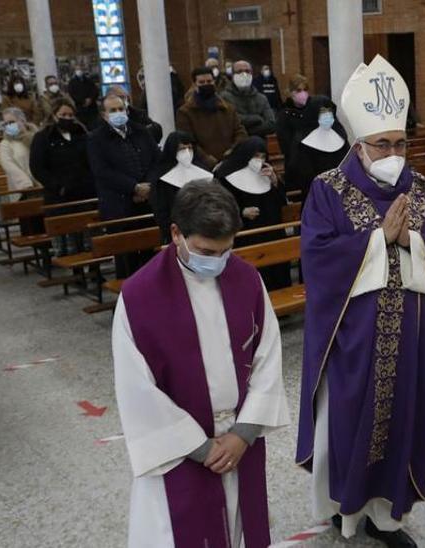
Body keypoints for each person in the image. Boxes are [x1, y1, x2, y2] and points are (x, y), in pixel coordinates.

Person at [296, 55, 425, 548]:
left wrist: (411, 239)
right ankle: (343, 511)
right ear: (359, 145)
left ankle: (387, 518)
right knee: (349, 422)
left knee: (400, 423)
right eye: (382, 144)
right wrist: (376, 240)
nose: (393, 152)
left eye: (400, 143)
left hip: (408, 338)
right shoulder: (327, 190)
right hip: (351, 339)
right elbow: (318, 258)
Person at [113, 180, 290, 548]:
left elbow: (268, 357)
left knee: (240, 527)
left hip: (240, 442)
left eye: (226, 250)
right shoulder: (138, 297)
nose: (219, 261)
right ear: (176, 233)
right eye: (206, 250)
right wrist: (200, 447)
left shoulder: (247, 279)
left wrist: (243, 433)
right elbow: (136, 389)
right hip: (180, 450)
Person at [213, 137, 289, 289]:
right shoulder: (225, 177)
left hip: (271, 233)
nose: (259, 160)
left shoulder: (266, 173)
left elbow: (281, 203)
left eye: (262, 157)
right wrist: (241, 212)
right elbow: (219, 208)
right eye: (255, 156)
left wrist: (275, 181)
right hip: (246, 235)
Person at [87, 94, 158, 222]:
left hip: (150, 199)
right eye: (113, 110)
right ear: (104, 115)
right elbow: (102, 171)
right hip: (118, 204)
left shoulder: (141, 131)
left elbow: (156, 160)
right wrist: (135, 188)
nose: (118, 113)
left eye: (121, 109)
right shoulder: (96, 139)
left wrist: (149, 186)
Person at [148, 131, 213, 241]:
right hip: (178, 233)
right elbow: (162, 212)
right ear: (172, 150)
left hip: (206, 229)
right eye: (182, 149)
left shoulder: (204, 172)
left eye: (190, 148)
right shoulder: (163, 178)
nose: (187, 152)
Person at [30, 98, 97, 205]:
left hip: (87, 192)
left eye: (70, 115)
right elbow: (37, 168)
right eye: (63, 115)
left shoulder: (82, 133)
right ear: (54, 115)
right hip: (59, 197)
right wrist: (58, 187)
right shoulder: (43, 137)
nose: (67, 118)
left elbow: (92, 160)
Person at [177, 68, 248, 167]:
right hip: (202, 166)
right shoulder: (185, 112)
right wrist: (208, 160)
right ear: (194, 84)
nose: (206, 84)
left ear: (214, 82)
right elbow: (188, 141)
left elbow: (240, 132)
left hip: (229, 162)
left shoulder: (228, 109)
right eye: (201, 82)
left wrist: (233, 151)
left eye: (209, 81)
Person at [283, 96, 348, 199]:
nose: (327, 116)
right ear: (314, 114)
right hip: (315, 194)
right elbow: (302, 174)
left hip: (341, 192)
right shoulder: (304, 141)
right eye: (323, 113)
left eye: (329, 112)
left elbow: (348, 161)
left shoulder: (339, 134)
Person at [221, 61, 278, 138]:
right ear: (232, 75)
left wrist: (246, 131)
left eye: (247, 71)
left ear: (252, 74)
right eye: (239, 71)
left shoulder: (261, 98)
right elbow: (229, 122)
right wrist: (257, 118)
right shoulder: (224, 97)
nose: (244, 74)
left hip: (259, 144)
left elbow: (271, 124)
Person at [0, 107, 39, 200]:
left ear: (22, 121)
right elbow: (9, 166)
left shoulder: (37, 138)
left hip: (44, 186)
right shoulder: (6, 144)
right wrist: (26, 184)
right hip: (23, 191)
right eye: (5, 124)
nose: (8, 126)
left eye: (11, 122)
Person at [69, 65, 103, 130]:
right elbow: (72, 94)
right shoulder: (72, 82)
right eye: (77, 69)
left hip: (92, 108)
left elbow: (95, 91)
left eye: (80, 69)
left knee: (95, 126)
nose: (79, 71)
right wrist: (83, 101)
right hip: (80, 109)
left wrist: (90, 99)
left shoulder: (89, 80)